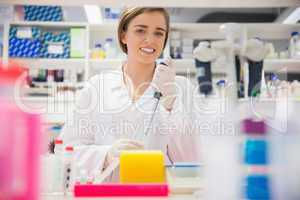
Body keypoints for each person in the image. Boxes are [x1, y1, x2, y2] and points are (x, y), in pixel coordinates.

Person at [58, 7, 201, 181]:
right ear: (123, 36)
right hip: (108, 193)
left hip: (157, 191)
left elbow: (191, 160)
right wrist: (106, 155)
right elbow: (65, 150)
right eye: (141, 30)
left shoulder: (181, 87)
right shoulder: (97, 87)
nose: (150, 40)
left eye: (159, 33)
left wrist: (170, 106)